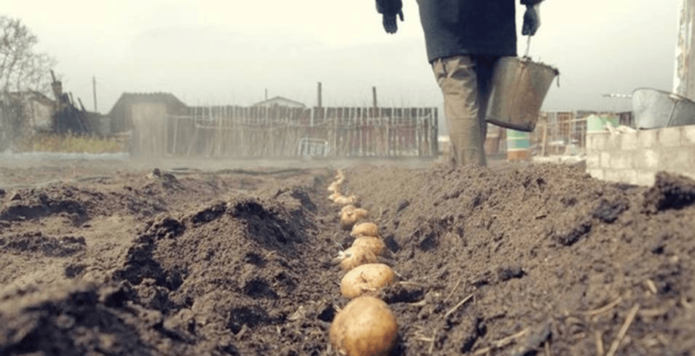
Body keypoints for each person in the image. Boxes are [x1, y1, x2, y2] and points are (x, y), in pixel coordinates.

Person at [376, 0, 543, 166]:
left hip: (449, 25)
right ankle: (464, 176)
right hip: (495, 21)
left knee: (463, 103)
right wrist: (532, 6)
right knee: (477, 112)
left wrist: (388, 8)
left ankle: (473, 179)